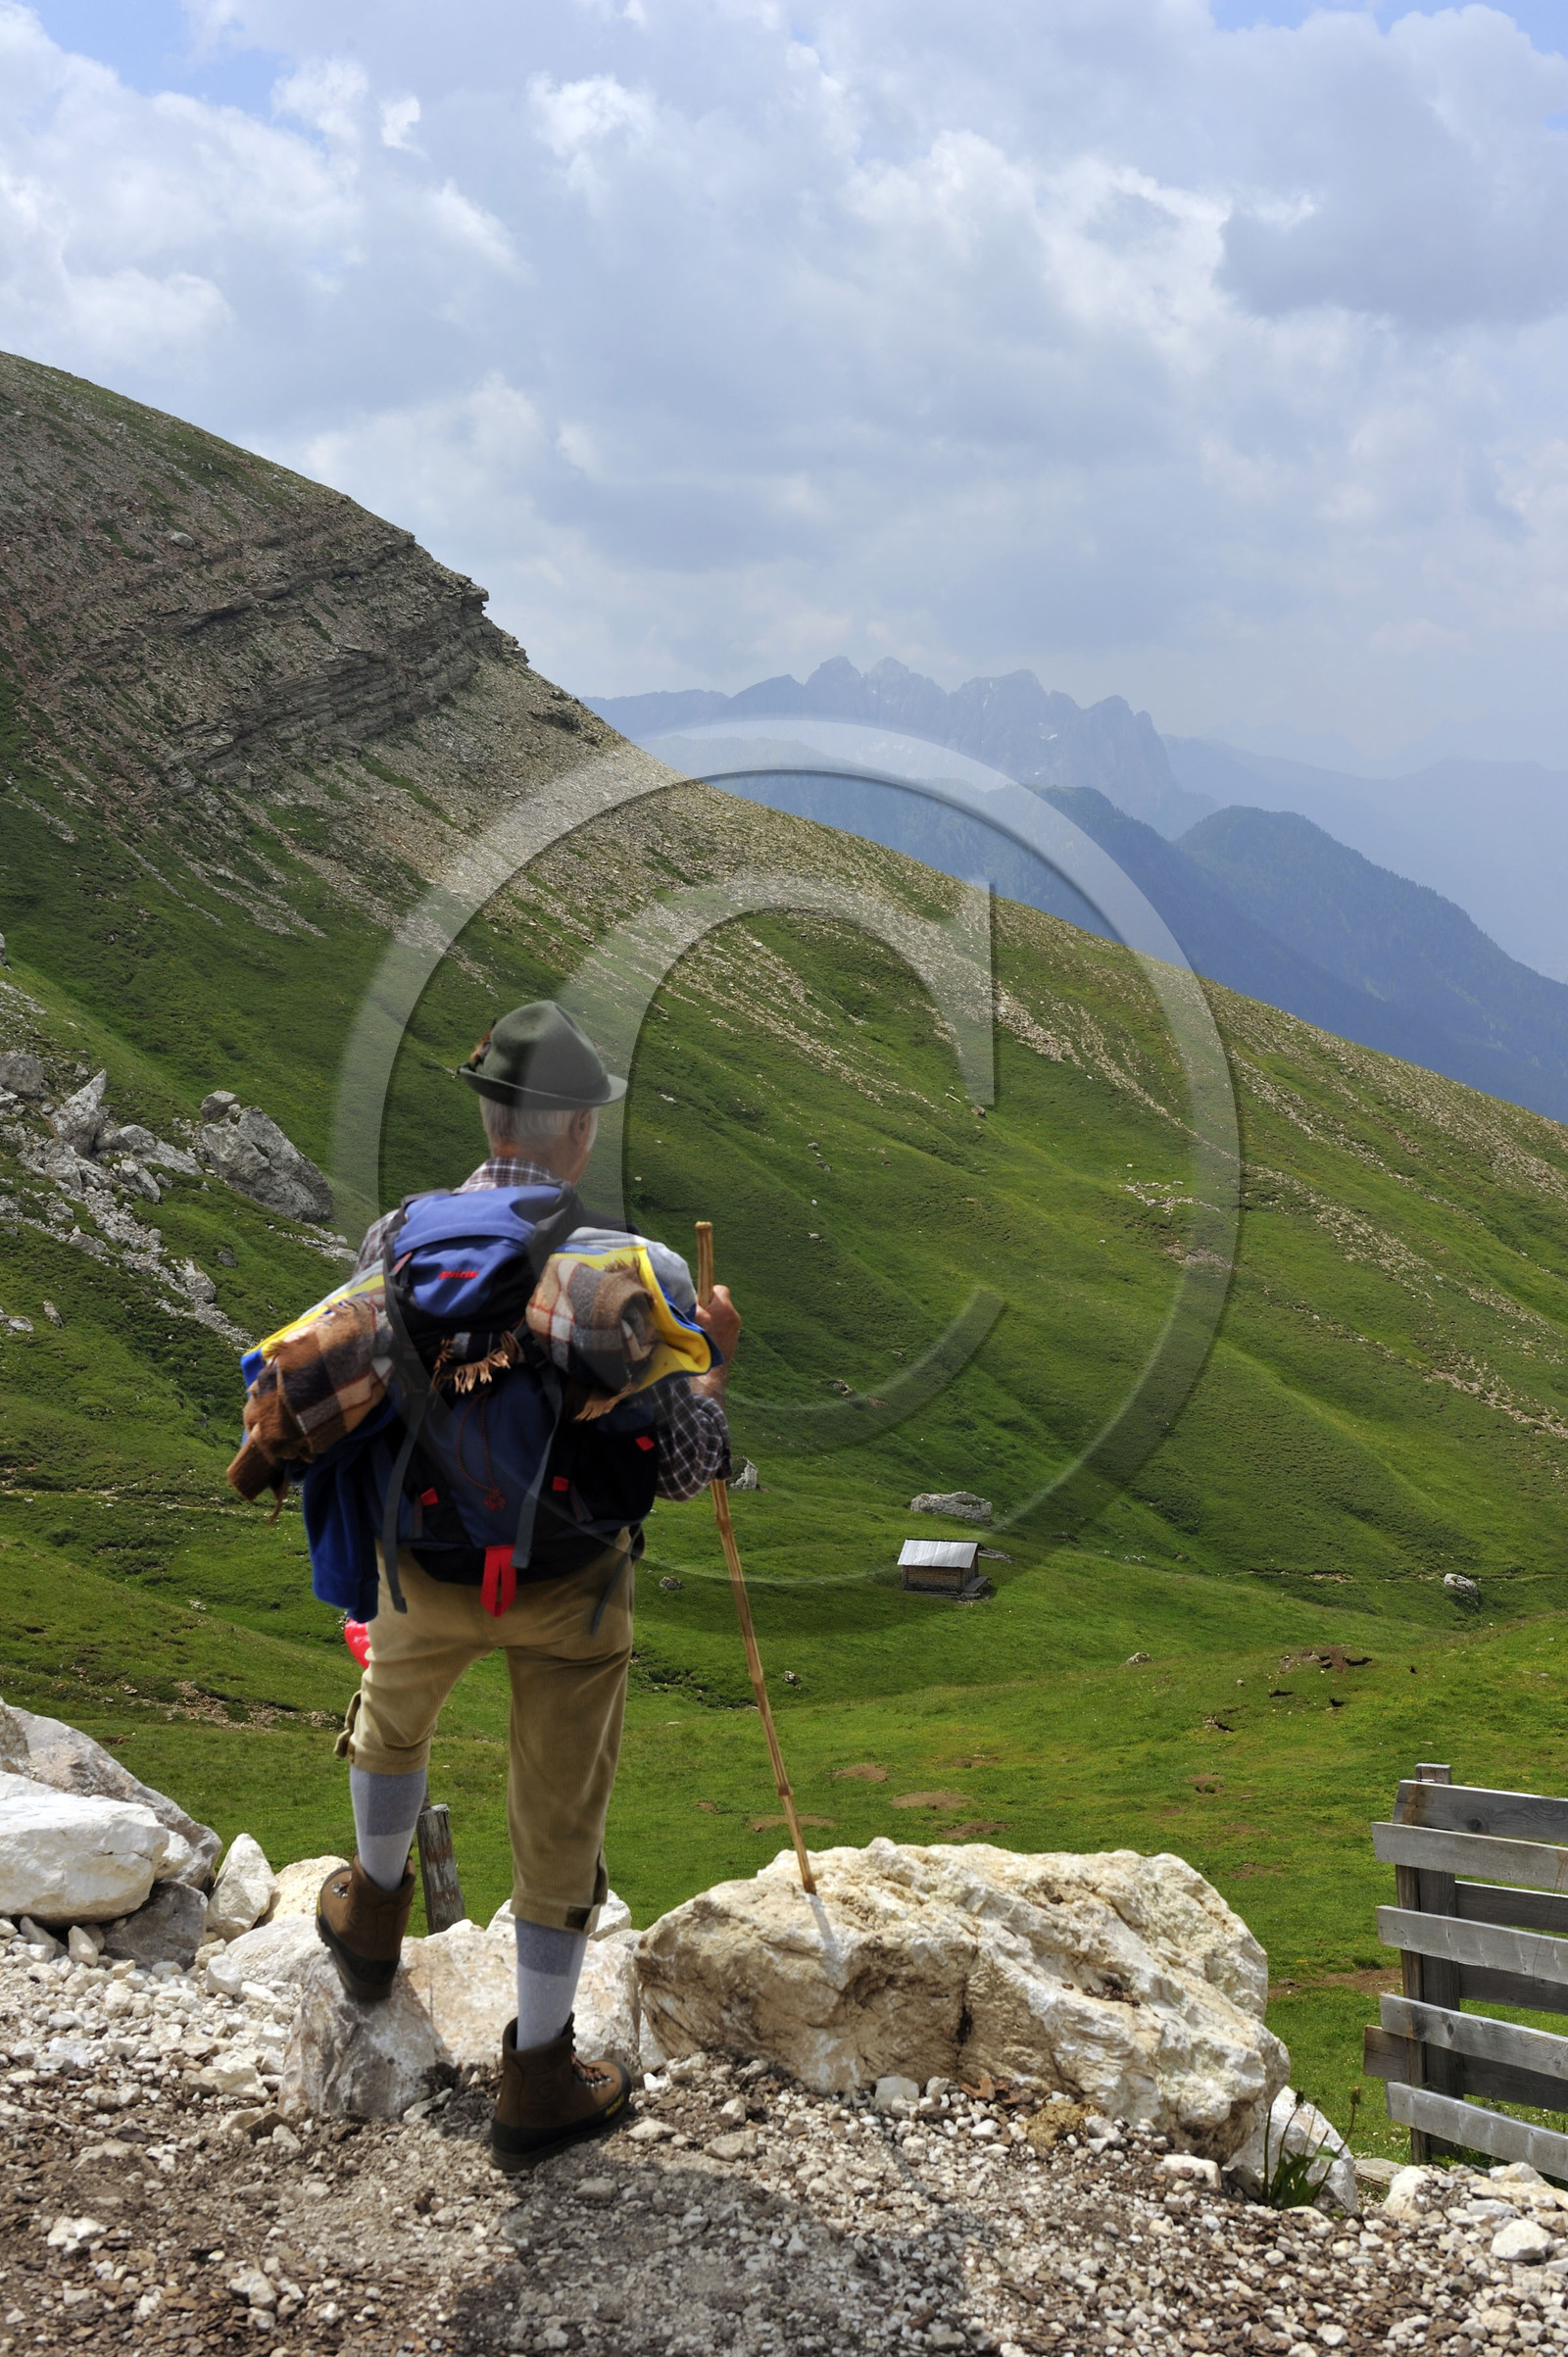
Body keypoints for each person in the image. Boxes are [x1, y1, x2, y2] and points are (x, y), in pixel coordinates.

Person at [316, 1001, 740, 2169]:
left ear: (489, 1115)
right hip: (573, 1585)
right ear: (578, 1131)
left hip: (422, 1562)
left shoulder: (398, 1235)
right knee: (558, 1810)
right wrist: (712, 1374)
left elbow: (351, 1391)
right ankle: (540, 2072)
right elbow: (682, 1464)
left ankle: (372, 1910)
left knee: (393, 1718)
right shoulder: (637, 1270)